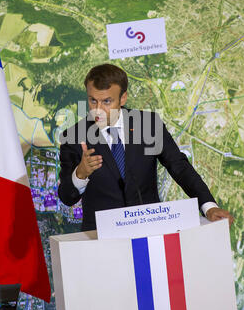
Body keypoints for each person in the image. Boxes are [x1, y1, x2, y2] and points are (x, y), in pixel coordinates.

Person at [58, 64, 234, 231]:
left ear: (123, 98)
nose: (98, 110)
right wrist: (80, 174)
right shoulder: (73, 137)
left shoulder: (148, 125)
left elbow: (179, 167)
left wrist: (208, 206)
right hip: (101, 240)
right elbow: (66, 197)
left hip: (151, 231)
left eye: (106, 101)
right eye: (92, 101)